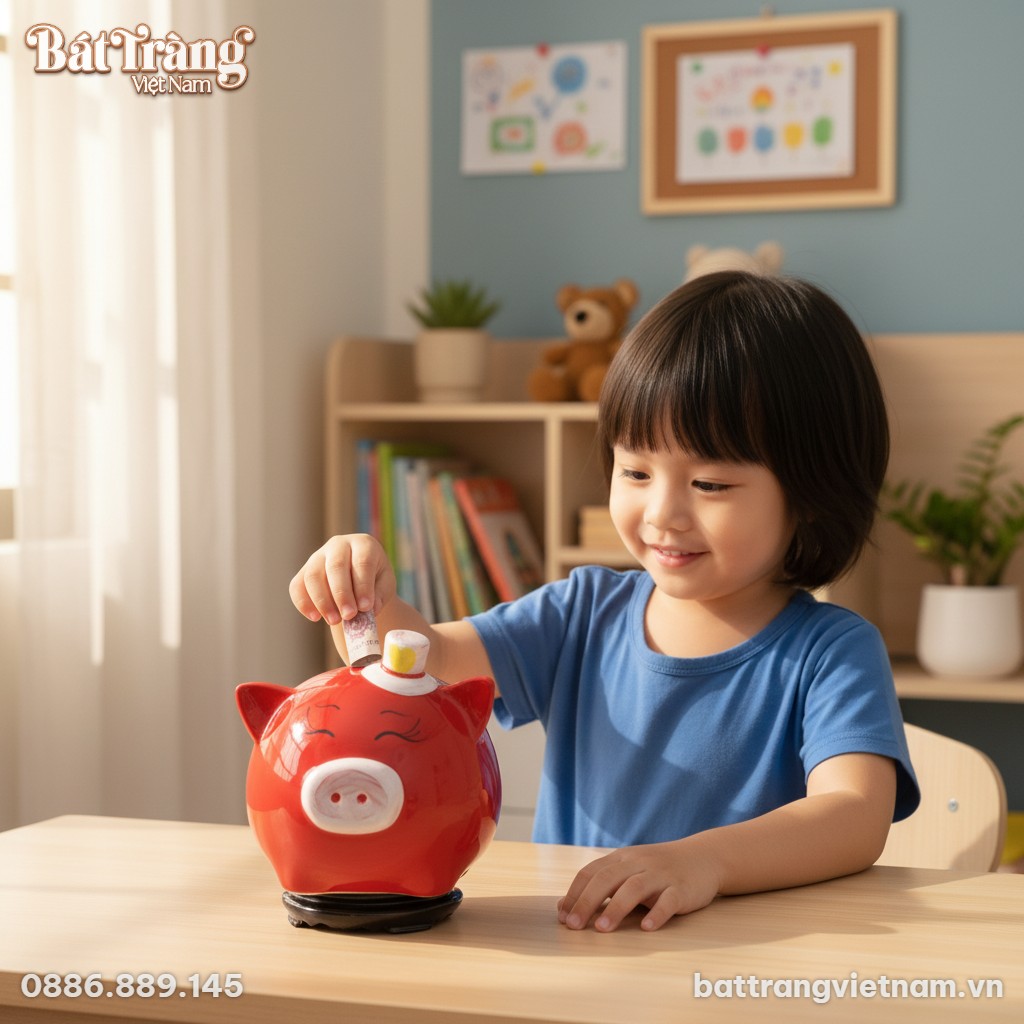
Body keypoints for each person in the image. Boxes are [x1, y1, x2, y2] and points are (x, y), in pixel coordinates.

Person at [290, 271, 920, 934]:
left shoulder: (832, 652)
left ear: (813, 491)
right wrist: (365, 596)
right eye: (636, 471)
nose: (662, 512)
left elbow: (854, 815)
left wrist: (704, 862)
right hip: (581, 951)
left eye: (710, 483)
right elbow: (429, 662)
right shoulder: (582, 612)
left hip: (738, 964)